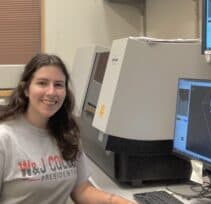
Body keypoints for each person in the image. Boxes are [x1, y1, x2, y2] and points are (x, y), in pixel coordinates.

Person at [0, 53, 136, 204]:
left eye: (58, 84)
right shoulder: (5, 139)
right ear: (26, 89)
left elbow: (82, 190)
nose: (51, 92)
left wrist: (117, 201)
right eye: (42, 83)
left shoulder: (67, 134)